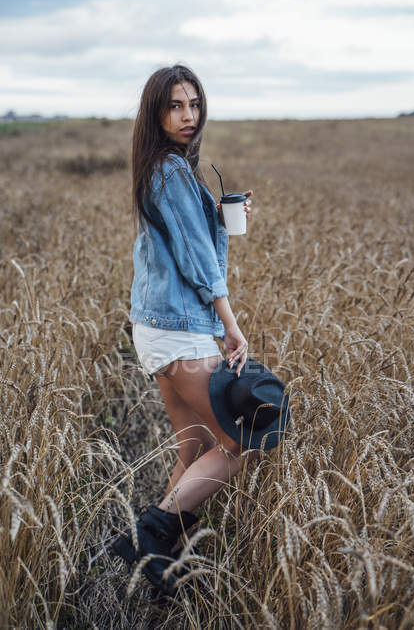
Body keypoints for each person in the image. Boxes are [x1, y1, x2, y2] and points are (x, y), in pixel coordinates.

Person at [112, 64, 289, 596]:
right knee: (247, 437)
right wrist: (232, 327)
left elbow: (187, 239)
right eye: (175, 106)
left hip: (157, 329)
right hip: (180, 331)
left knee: (193, 451)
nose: (188, 116)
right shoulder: (170, 171)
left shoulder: (164, 170)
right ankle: (152, 532)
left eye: (193, 104)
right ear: (156, 113)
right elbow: (196, 262)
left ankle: (160, 567)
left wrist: (215, 216)